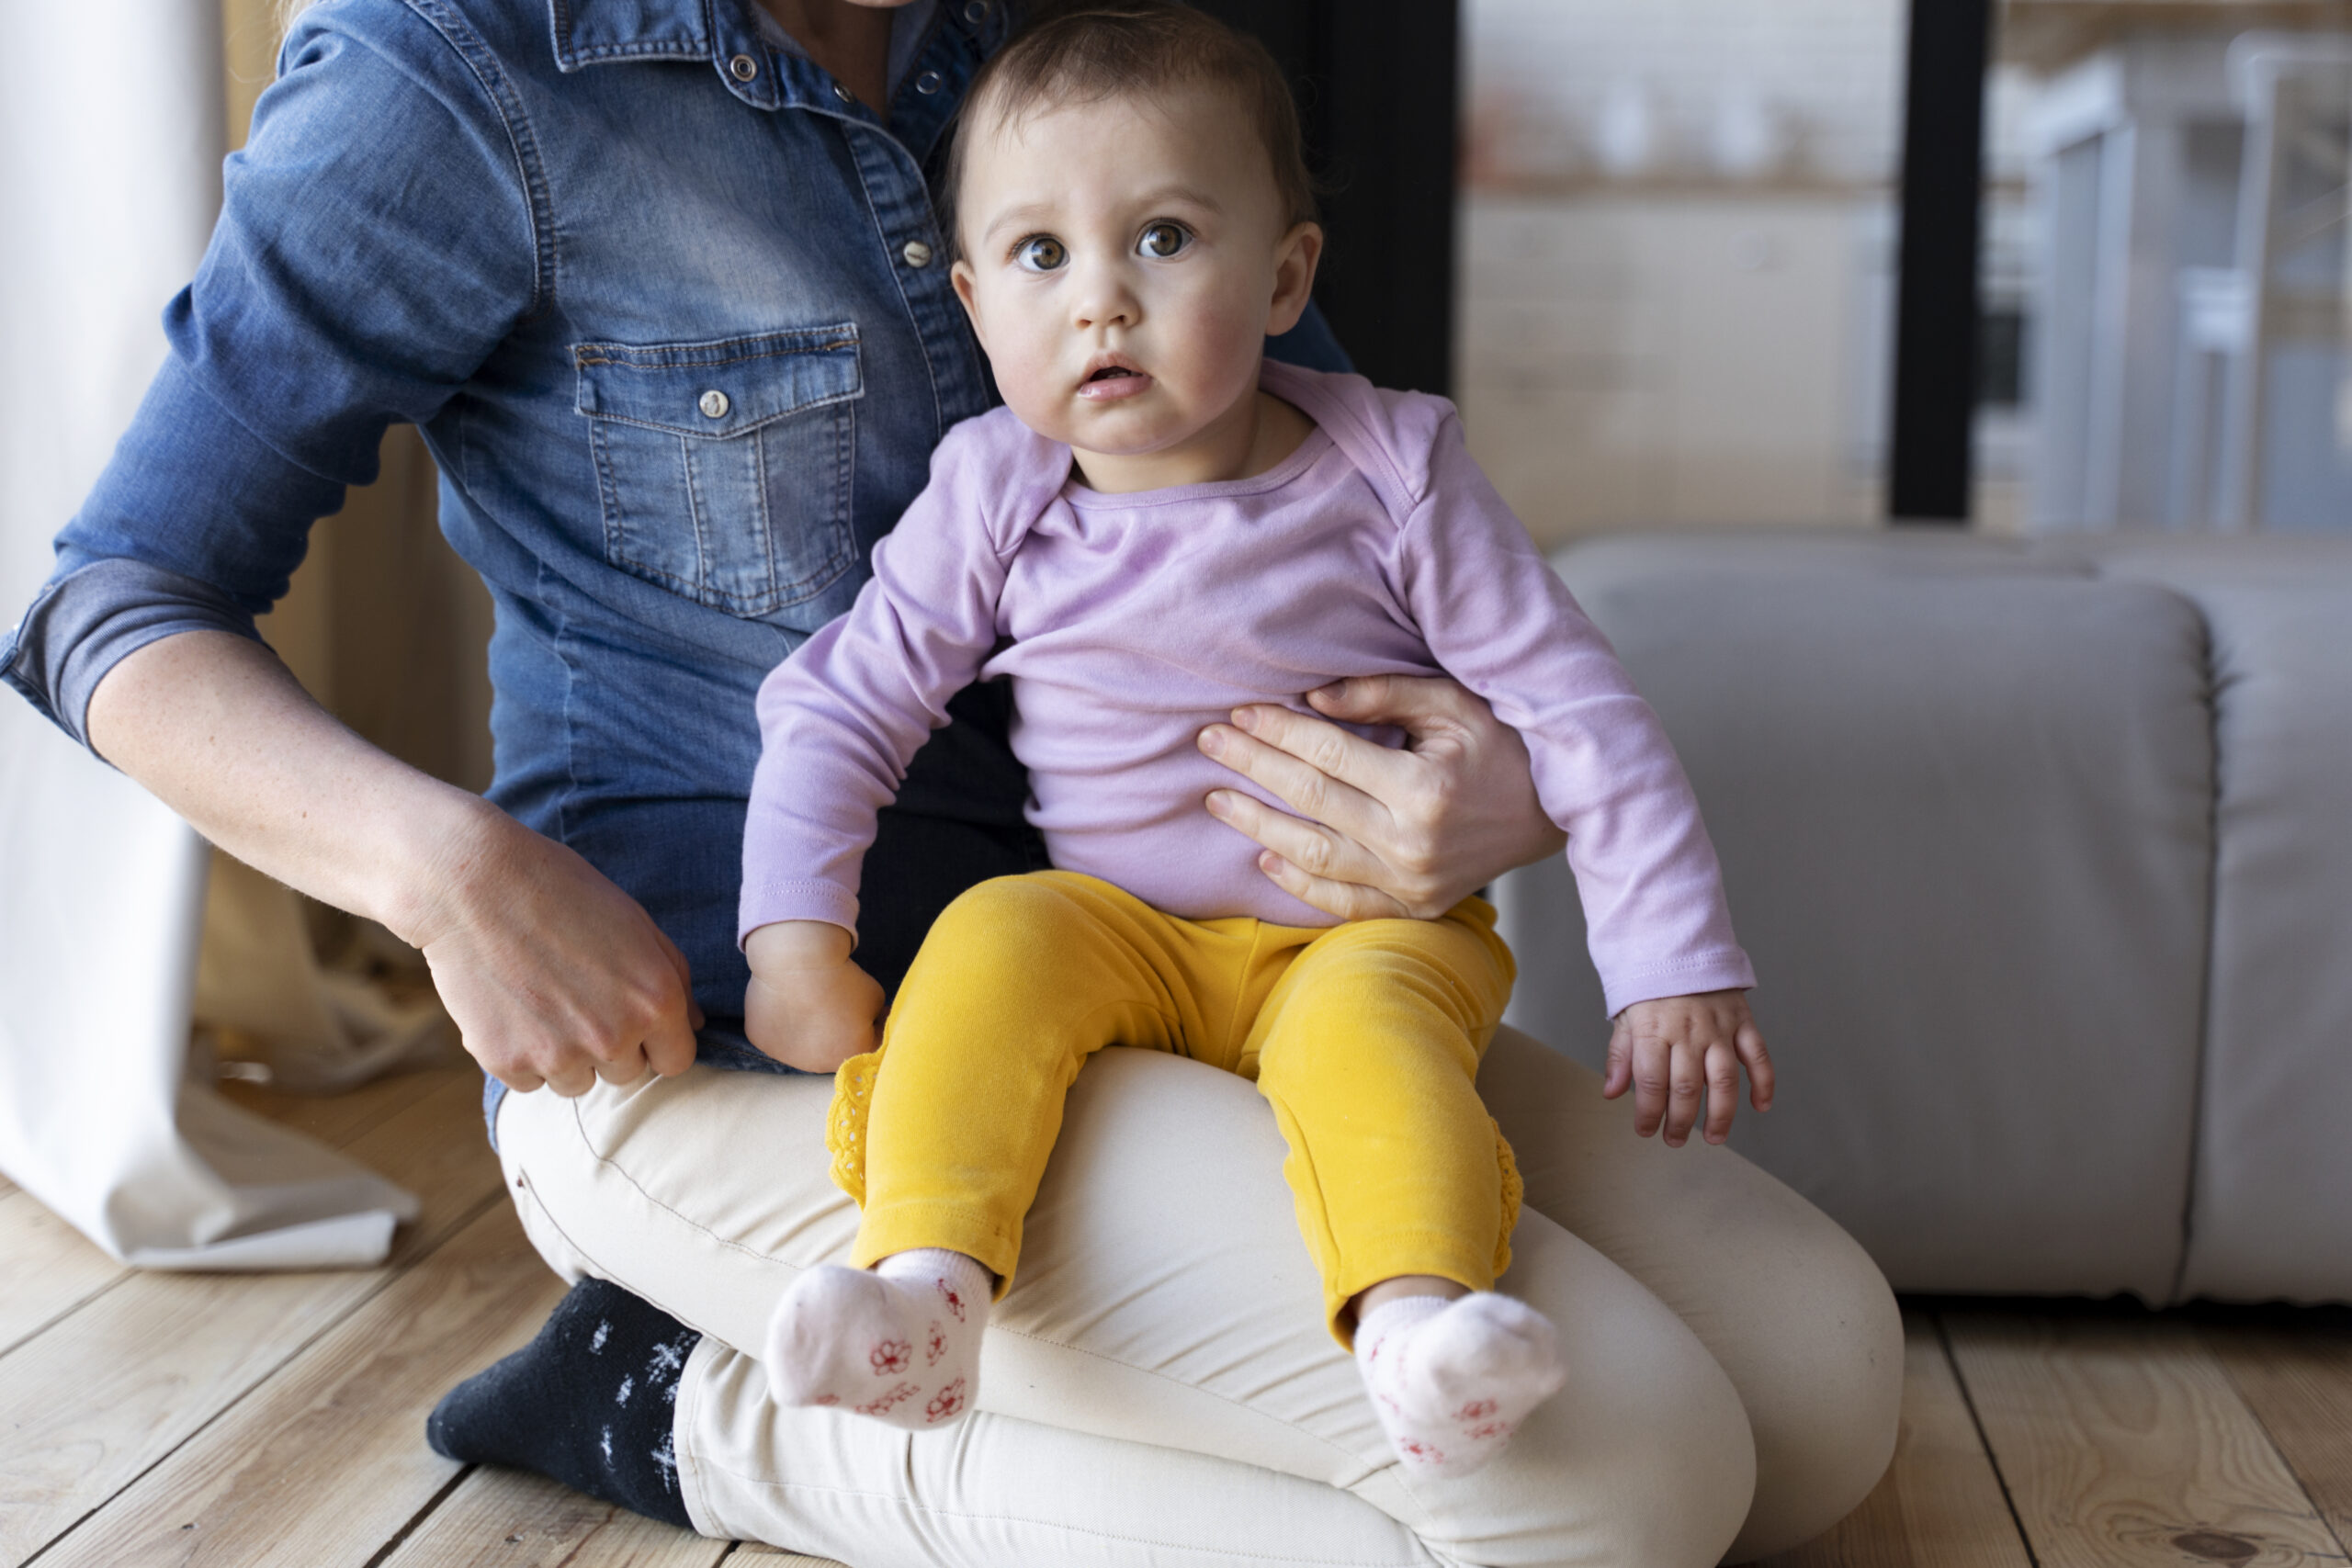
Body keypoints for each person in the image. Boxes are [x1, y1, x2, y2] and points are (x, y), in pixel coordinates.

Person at [0, 0, 1901, 1559]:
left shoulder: (1065, 45)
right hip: (743, 1033)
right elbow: (113, 600)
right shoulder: (457, 72)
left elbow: (1323, 508)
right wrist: (441, 865)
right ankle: (691, 1409)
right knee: (1622, 1479)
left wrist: (1506, 781)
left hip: (1209, 980)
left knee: (1821, 1388)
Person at [740, 3, 1772, 1486]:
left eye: (1162, 239)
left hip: (1359, 933)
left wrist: (1675, 963)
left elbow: (1578, 710)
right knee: (987, 942)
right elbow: (844, 701)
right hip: (1118, 926)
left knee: (1375, 1054)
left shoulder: (1394, 466)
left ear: (1286, 275)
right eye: (1042, 256)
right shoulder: (997, 487)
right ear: (976, 306)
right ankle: (926, 1289)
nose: (1101, 302)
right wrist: (791, 937)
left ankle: (1419, 1331)